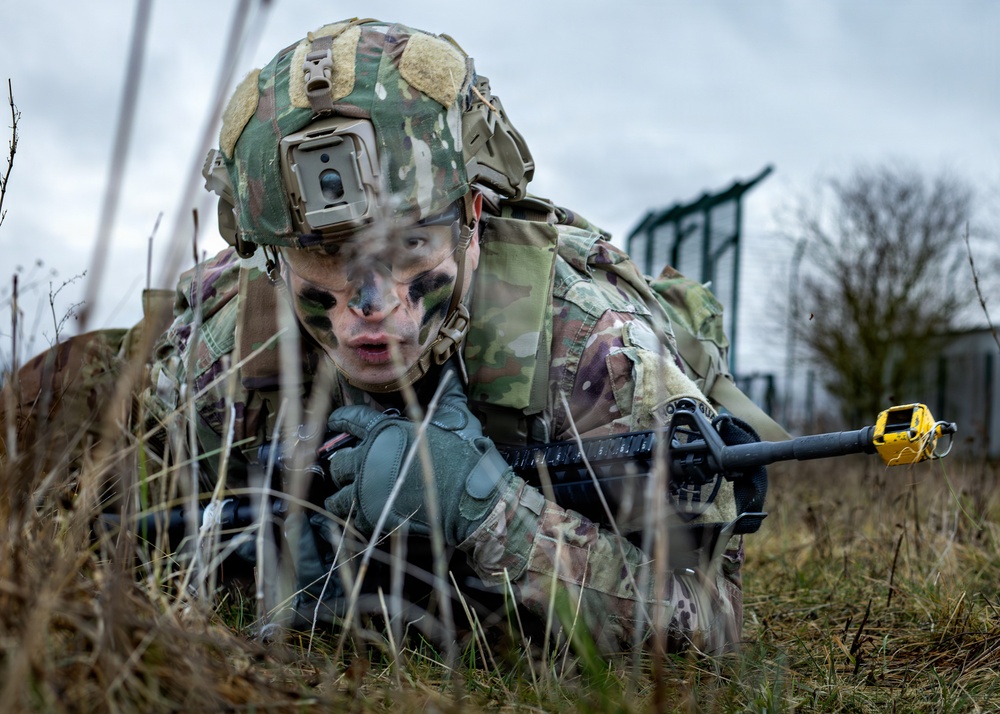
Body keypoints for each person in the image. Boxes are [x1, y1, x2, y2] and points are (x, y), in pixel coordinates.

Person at [2, 18, 781, 656]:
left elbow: (711, 618)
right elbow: (128, 517)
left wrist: (487, 511)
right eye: (325, 260)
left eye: (407, 248)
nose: (368, 308)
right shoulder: (229, 344)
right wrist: (266, 553)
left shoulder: (591, 351)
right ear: (272, 258)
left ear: (471, 219)